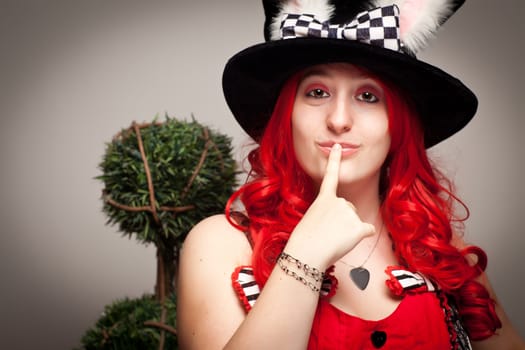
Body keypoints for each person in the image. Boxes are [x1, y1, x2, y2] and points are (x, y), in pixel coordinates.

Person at [177, 0, 525, 349]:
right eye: (317, 92)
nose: (339, 119)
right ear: (287, 117)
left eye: (368, 96)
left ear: (397, 125)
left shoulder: (445, 255)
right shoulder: (222, 245)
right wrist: (304, 256)